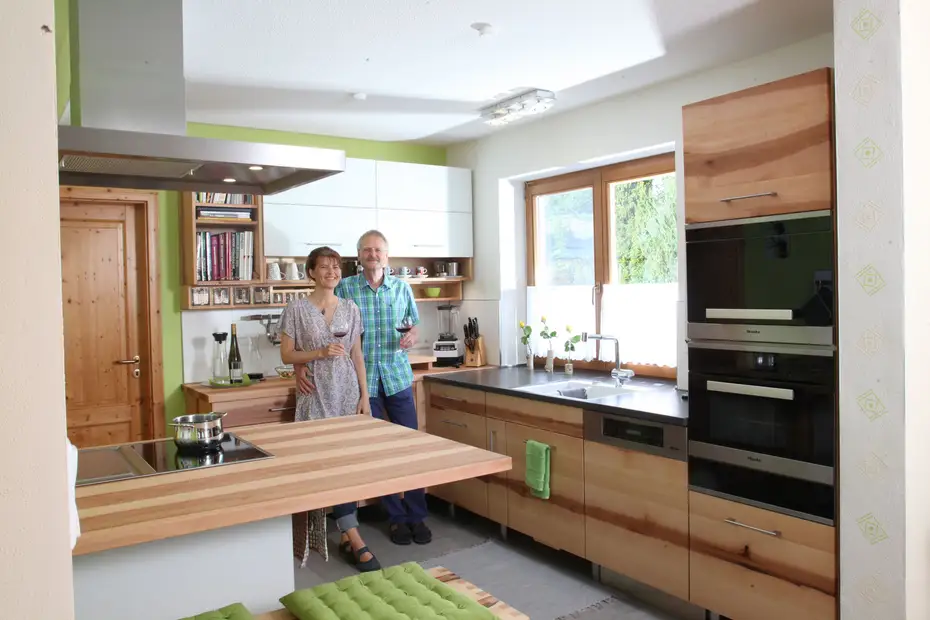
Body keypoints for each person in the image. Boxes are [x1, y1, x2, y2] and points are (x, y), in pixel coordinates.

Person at [296, 230, 432, 546]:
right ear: (359, 256)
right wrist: (299, 366)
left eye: (378, 250)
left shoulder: (402, 288)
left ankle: (417, 515)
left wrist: (412, 335)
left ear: (387, 255)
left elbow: (413, 324)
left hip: (397, 377)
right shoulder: (344, 288)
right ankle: (396, 518)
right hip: (361, 383)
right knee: (377, 453)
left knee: (410, 448)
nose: (373, 255)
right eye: (367, 250)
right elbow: (312, 330)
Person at [278, 246, 381, 572]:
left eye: (336, 267)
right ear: (311, 272)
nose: (331, 272)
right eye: (324, 267)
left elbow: (357, 355)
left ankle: (350, 535)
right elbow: (287, 354)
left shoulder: (350, 308)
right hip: (315, 395)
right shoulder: (296, 309)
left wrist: (365, 396)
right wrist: (317, 354)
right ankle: (352, 536)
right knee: (322, 467)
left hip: (346, 394)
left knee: (345, 466)